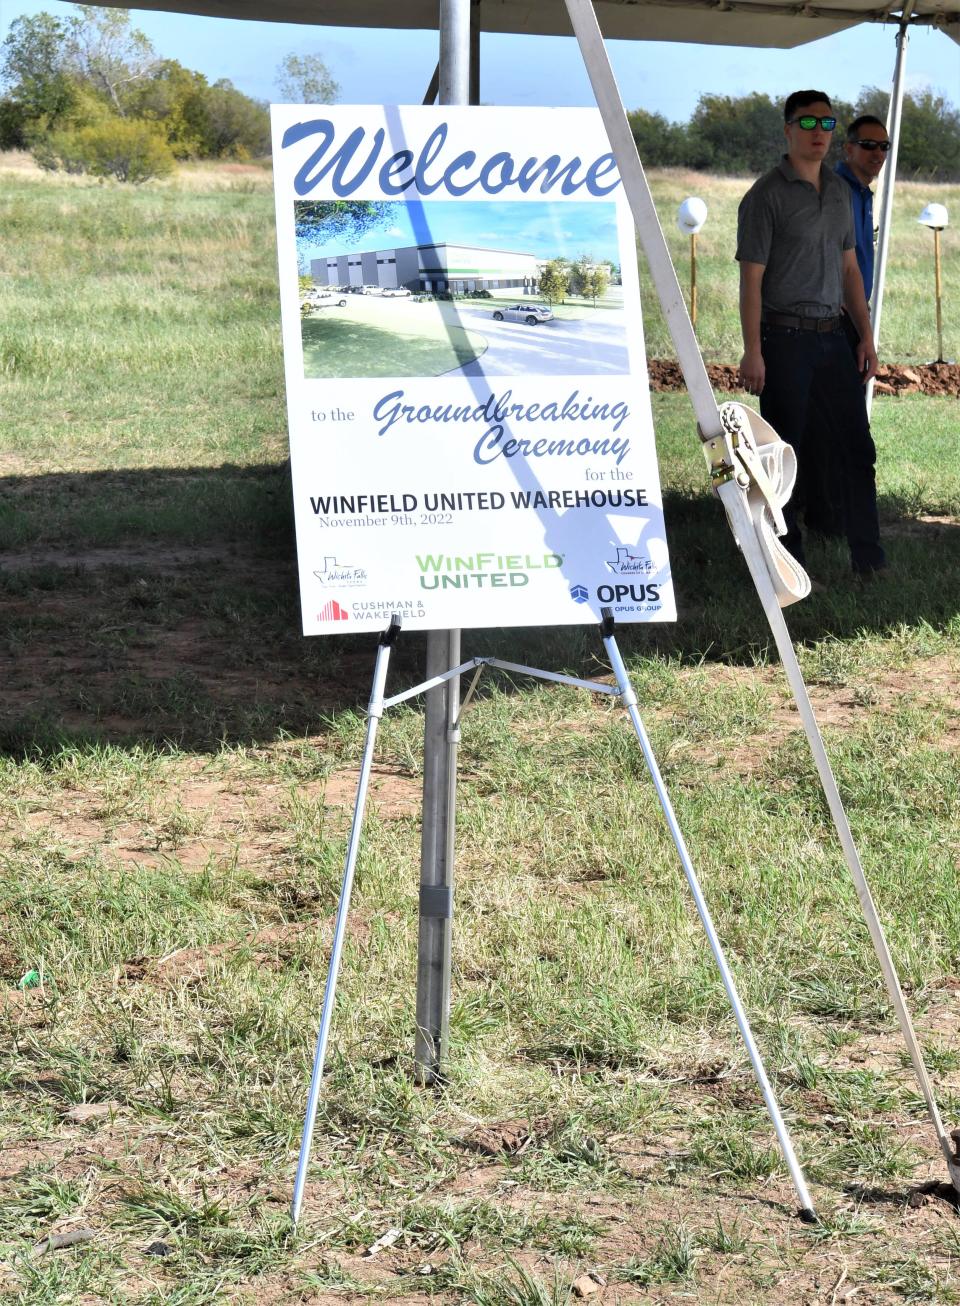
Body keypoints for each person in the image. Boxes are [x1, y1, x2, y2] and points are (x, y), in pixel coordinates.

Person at [736, 90, 886, 578]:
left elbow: (850, 272)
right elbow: (751, 280)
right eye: (807, 123)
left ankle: (870, 560)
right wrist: (753, 350)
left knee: (857, 450)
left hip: (833, 337)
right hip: (783, 341)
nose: (818, 132)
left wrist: (864, 336)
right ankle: (788, 564)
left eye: (826, 123)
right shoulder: (764, 197)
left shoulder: (840, 192)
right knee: (782, 459)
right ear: (787, 129)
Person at [801, 114, 891, 538]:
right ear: (848, 148)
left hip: (851, 318)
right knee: (835, 426)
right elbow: (839, 267)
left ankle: (828, 513)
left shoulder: (860, 192)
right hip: (833, 319)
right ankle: (826, 516)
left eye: (883, 148)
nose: (877, 154)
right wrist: (859, 329)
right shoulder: (836, 191)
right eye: (868, 145)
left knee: (834, 423)